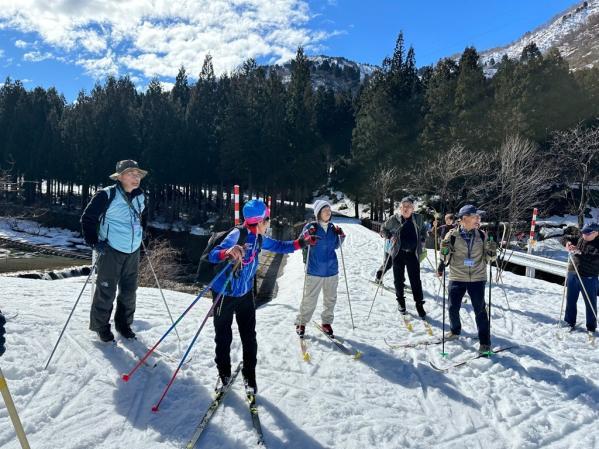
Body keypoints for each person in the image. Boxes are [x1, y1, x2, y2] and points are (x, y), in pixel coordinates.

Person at [208, 199, 316, 394]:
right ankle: (223, 373)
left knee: (249, 336)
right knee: (223, 336)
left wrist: (303, 242)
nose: (269, 223)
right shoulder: (237, 234)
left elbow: (282, 247)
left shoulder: (259, 238)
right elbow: (213, 255)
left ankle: (249, 375)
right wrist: (228, 252)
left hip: (246, 293)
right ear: (259, 221)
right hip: (224, 293)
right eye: (267, 219)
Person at [81, 160, 148, 342]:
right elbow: (87, 219)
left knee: (129, 291)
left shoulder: (140, 196)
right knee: (106, 291)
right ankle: (101, 327)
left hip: (132, 250)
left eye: (138, 174)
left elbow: (142, 219)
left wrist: (142, 236)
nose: (136, 178)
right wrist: (94, 242)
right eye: (131, 174)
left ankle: (124, 325)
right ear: (120, 177)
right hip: (111, 249)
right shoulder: (106, 195)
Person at [437, 205, 497, 354]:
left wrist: (491, 249)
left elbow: (491, 258)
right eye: (475, 216)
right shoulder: (451, 235)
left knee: (480, 311)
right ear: (464, 219)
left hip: (477, 278)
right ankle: (455, 330)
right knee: (452, 307)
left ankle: (485, 342)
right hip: (457, 276)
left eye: (479, 217)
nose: (479, 219)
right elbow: (444, 258)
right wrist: (444, 249)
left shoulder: (482, 235)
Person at [295, 200, 345, 337]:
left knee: (330, 299)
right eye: (324, 210)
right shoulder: (311, 226)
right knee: (309, 299)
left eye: (329, 210)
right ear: (318, 213)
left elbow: (336, 245)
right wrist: (307, 235)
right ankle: (301, 322)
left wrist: (341, 235)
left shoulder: (332, 228)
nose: (328, 212)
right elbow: (302, 242)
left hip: (331, 270)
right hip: (315, 270)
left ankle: (326, 323)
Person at [380, 197, 428, 318]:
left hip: (413, 254)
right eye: (404, 206)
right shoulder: (394, 219)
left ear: (413, 208)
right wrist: (390, 235)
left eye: (409, 206)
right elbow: (383, 229)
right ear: (400, 208)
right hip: (398, 253)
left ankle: (419, 304)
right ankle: (401, 301)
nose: (406, 209)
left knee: (416, 280)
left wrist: (422, 238)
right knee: (398, 279)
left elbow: (424, 230)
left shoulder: (418, 218)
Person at [562, 223, 599, 333]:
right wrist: (567, 243)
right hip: (573, 272)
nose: (584, 234)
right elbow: (563, 238)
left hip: (589, 277)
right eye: (583, 232)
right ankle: (569, 322)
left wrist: (579, 253)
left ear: (596, 232)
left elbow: (594, 259)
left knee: (590, 303)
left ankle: (591, 327)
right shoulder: (581, 237)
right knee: (570, 300)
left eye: (587, 233)